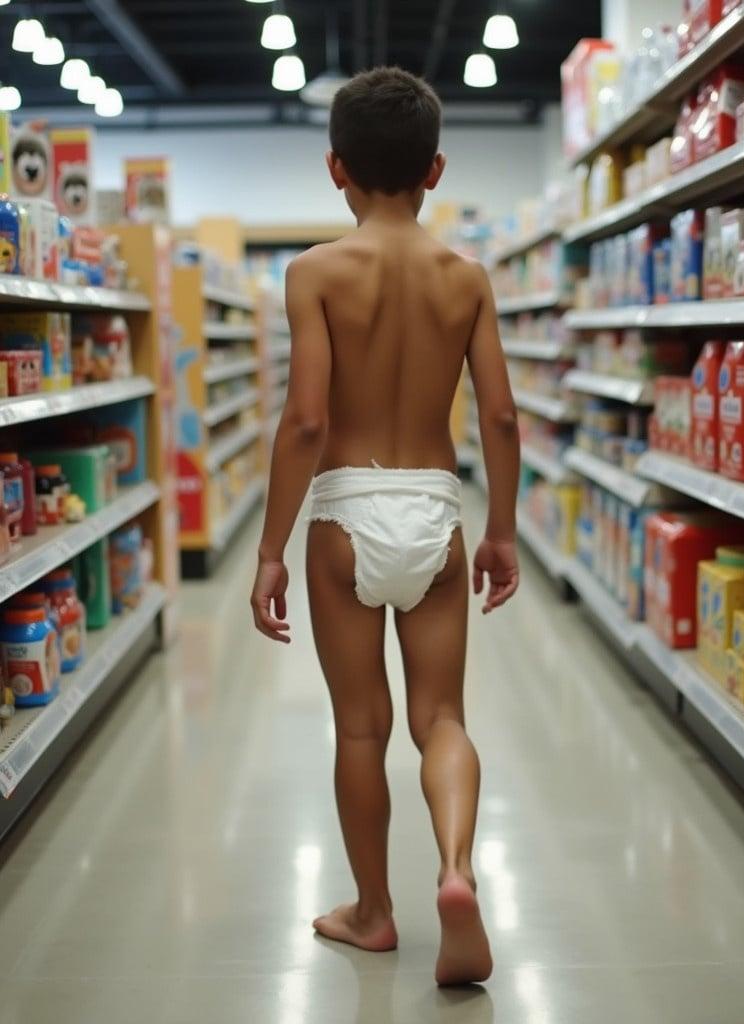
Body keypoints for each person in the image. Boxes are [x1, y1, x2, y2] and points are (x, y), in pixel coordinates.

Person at [251, 66, 520, 987]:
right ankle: (455, 867)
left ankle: (373, 913)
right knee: (441, 716)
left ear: (336, 168)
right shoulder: (467, 277)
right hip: (438, 514)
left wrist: (268, 549)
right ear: (435, 168)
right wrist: (504, 531)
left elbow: (308, 421)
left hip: (345, 516)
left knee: (361, 729)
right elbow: (502, 419)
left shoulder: (314, 273)